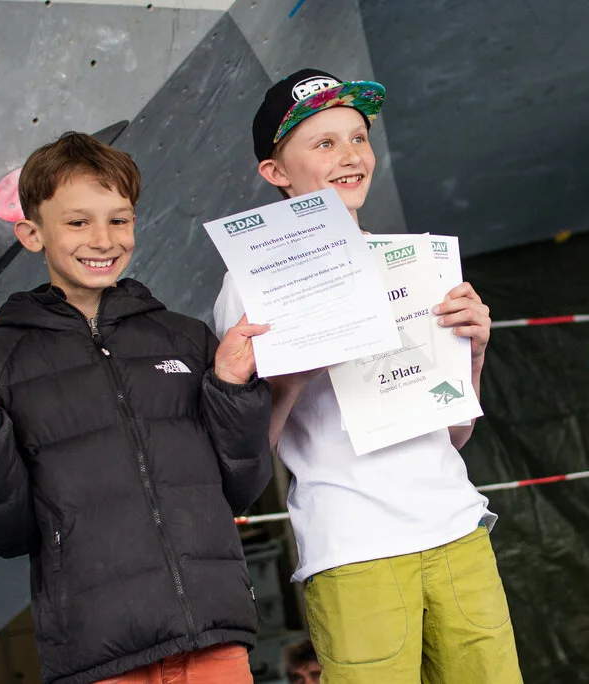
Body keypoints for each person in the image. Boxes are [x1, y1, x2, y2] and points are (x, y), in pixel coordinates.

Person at [0, 132, 273, 684]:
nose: (103, 239)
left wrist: (230, 387)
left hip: (213, 636)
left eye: (120, 219)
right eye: (78, 222)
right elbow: (0, 535)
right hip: (97, 652)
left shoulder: (185, 339)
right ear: (32, 234)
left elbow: (241, 487)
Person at [213, 69, 523, 683]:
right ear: (275, 172)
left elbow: (455, 433)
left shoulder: (411, 264)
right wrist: (293, 376)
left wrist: (475, 353)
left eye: (358, 137)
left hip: (458, 528)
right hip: (353, 548)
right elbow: (245, 460)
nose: (351, 155)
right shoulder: (249, 286)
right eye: (323, 143)